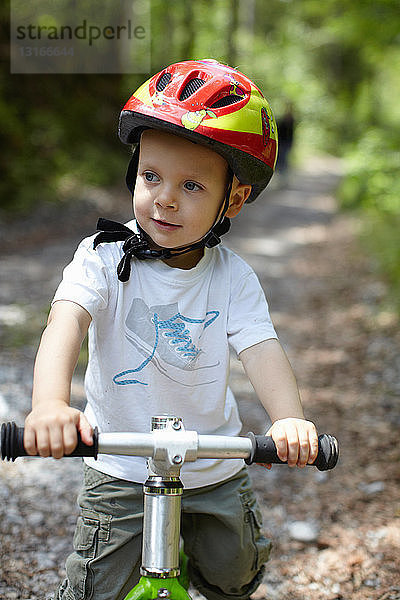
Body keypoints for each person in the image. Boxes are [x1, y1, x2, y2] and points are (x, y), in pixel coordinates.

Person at [24, 59, 319, 600]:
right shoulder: (102, 256)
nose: (164, 197)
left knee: (234, 575)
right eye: (151, 176)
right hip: (120, 466)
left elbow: (262, 350)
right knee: (96, 588)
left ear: (232, 199)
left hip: (212, 468)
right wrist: (49, 405)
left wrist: (289, 422)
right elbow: (64, 324)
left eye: (191, 185)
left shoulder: (232, 278)